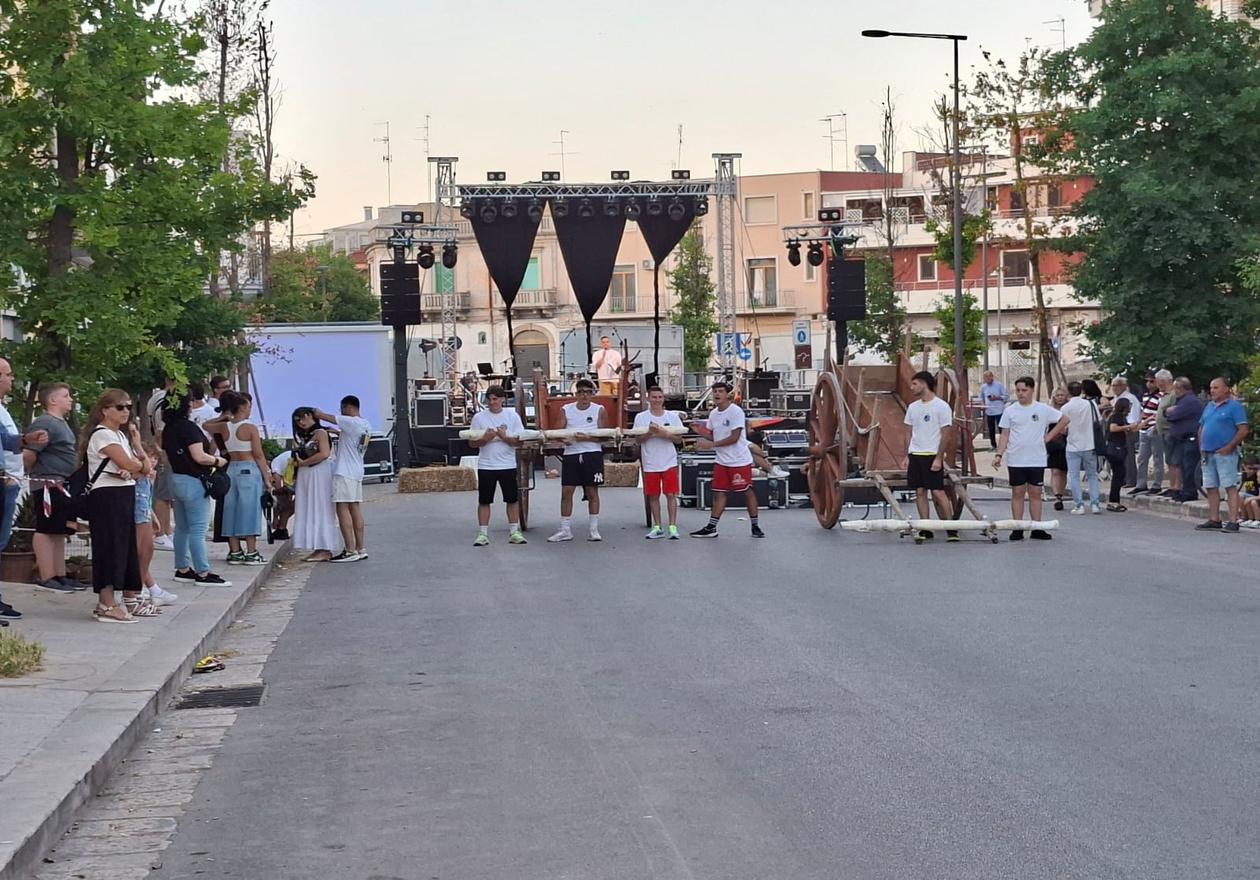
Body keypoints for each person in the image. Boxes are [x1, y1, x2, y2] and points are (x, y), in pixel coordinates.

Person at [81, 390, 155, 623]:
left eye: (128, 407)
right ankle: (106, 602)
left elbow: (144, 466)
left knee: (124, 546)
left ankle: (117, 598)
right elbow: (131, 463)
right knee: (110, 546)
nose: (125, 412)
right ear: (105, 410)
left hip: (124, 492)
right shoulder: (103, 435)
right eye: (119, 407)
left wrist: (137, 457)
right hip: (107, 495)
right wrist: (136, 466)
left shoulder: (120, 436)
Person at [161, 392, 232, 586]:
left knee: (182, 528)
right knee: (198, 529)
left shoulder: (169, 428)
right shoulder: (188, 427)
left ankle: (182, 567)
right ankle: (203, 571)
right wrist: (218, 460)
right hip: (193, 480)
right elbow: (199, 456)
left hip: (176, 477)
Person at [25, 383, 87, 593]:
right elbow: (30, 454)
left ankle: (59, 574)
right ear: (52, 400)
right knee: (45, 528)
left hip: (63, 483)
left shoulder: (62, 423)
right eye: (65, 396)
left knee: (59, 530)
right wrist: (37, 475)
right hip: (47, 483)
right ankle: (46, 575)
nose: (70, 399)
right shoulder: (44, 422)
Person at [0, 359, 46, 622]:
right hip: (4, 480)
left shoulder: (3, 409)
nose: (11, 378)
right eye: (7, 374)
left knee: (2, 541)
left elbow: (5, 441)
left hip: (8, 481)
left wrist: (25, 440)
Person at [993, 376, 1065, 540]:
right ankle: (1018, 526)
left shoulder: (1042, 409)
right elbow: (1005, 434)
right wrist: (999, 454)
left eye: (1024, 390)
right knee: (1018, 492)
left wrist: (1049, 436)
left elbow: (1064, 419)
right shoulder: (1010, 410)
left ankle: (1036, 527)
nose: (1020, 393)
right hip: (1016, 458)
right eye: (1018, 390)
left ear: (1032, 390)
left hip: (1036, 458)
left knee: (1035, 493)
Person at [690, 381, 763, 538]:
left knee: (746, 491)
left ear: (727, 394)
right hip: (722, 460)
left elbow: (735, 437)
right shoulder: (714, 413)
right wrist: (700, 431)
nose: (717, 394)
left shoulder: (735, 412)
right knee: (719, 493)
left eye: (720, 391)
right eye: (715, 391)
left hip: (738, 460)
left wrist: (711, 445)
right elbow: (713, 435)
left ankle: (755, 526)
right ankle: (711, 527)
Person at [206, 391, 272, 564]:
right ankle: (251, 551)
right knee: (249, 510)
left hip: (232, 468)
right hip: (248, 468)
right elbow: (258, 454)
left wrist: (224, 417)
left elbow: (206, 425)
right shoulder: (249, 427)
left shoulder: (224, 426)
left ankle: (234, 550)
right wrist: (266, 476)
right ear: (243, 407)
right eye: (249, 406)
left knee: (231, 509)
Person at [548, 379, 606, 543]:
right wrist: (564, 439)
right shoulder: (566, 409)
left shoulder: (599, 410)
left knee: (592, 492)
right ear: (576, 394)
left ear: (592, 394)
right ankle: (565, 530)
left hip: (592, 453)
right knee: (567, 492)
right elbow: (558, 431)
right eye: (581, 392)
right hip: (572, 454)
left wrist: (587, 437)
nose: (584, 396)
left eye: (588, 392)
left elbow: (605, 435)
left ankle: (594, 530)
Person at [468, 385, 527, 546]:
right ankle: (483, 533)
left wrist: (504, 436)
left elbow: (519, 441)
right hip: (486, 466)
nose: (492, 402)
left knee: (512, 499)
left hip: (507, 465)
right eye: (490, 399)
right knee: (484, 500)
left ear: (502, 399)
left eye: (495, 399)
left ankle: (514, 531)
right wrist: (485, 439)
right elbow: (472, 443)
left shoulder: (512, 416)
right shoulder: (479, 418)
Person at [314, 396, 371, 561]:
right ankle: (360, 548)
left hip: (344, 472)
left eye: (342, 409)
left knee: (342, 508)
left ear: (347, 407)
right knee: (355, 508)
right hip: (357, 471)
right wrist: (337, 432)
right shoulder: (365, 424)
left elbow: (324, 416)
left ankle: (349, 550)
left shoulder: (349, 421)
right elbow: (352, 439)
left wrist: (316, 412)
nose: (341, 413)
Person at [902, 371, 956, 542]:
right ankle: (926, 528)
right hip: (916, 454)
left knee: (938, 492)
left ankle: (951, 528)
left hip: (932, 454)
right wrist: (907, 455)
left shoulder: (941, 406)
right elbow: (908, 432)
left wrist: (939, 457)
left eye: (915, 384)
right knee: (919, 491)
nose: (912, 388)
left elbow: (946, 433)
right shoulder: (913, 407)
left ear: (924, 384)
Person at [130, 425, 177, 608]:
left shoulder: (150, 475)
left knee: (144, 552)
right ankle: (141, 587)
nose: (153, 462)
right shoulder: (138, 474)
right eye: (151, 458)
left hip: (144, 513)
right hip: (137, 515)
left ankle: (151, 587)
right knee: (141, 551)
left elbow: (148, 500)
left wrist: (153, 516)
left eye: (156, 458)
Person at [1194, 376, 1249, 533]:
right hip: (1208, 452)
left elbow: (1243, 429)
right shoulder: (1209, 406)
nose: (1212, 391)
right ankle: (1214, 519)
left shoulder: (1235, 407)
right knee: (1211, 486)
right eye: (1211, 388)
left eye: (1216, 387)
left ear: (1226, 389)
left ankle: (1233, 521)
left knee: (1230, 486)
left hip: (1225, 453)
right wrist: (1201, 447)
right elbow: (1201, 427)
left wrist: (1230, 446)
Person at [634, 386, 685, 540]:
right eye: (654, 397)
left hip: (669, 461)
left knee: (671, 494)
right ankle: (657, 527)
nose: (657, 400)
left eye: (660, 397)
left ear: (663, 399)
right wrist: (650, 433)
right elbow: (638, 440)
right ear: (649, 398)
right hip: (650, 462)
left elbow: (679, 439)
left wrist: (664, 433)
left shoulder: (672, 417)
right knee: (653, 496)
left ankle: (672, 526)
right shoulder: (641, 417)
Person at [291, 407, 342, 561]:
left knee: (320, 507)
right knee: (310, 508)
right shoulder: (305, 436)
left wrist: (304, 462)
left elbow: (324, 453)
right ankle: (317, 546)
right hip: (306, 473)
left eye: (304, 417)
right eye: (298, 420)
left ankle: (325, 547)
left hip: (319, 472)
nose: (301, 422)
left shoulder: (320, 432)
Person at [1059, 380, 1104, 515]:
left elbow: (1062, 428)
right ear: (1082, 391)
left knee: (1074, 476)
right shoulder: (1090, 404)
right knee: (1092, 475)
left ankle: (1079, 505)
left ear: (1068, 392)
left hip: (1072, 445)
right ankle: (1095, 504)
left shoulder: (1065, 408)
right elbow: (1099, 421)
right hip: (1089, 444)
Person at [1166, 376, 1204, 505]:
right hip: (1182, 439)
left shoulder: (1189, 401)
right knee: (1183, 465)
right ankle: (1185, 490)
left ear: (1180, 388)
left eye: (1175, 388)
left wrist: (1170, 412)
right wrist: (1169, 412)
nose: (1174, 391)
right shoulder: (1181, 400)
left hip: (1190, 438)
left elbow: (1174, 416)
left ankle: (1189, 492)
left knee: (1189, 466)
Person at [1133, 370, 1166, 496]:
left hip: (1154, 428)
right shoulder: (1145, 395)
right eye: (1147, 381)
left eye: (1151, 381)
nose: (1149, 384)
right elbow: (1143, 410)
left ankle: (1157, 484)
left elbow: (1158, 414)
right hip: (1143, 429)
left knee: (1158, 457)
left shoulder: (1161, 396)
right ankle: (1141, 484)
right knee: (1142, 458)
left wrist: (1145, 421)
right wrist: (1139, 422)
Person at [1104, 397, 1140, 512]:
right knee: (1118, 475)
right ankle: (1113, 501)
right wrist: (1128, 427)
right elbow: (1113, 428)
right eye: (1128, 406)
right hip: (1115, 448)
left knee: (1119, 475)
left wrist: (1145, 422)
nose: (1130, 408)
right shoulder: (1117, 416)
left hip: (1117, 448)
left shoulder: (1121, 417)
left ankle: (1114, 500)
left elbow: (1130, 429)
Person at [1110, 376, 1141, 488]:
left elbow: (1132, 416)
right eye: (1112, 385)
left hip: (1128, 430)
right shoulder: (1118, 398)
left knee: (1128, 456)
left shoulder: (1128, 398)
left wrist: (1127, 427)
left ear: (1123, 386)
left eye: (1116, 386)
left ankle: (1130, 479)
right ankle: (1123, 478)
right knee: (1121, 456)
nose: (1114, 388)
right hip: (1123, 430)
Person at [1154, 370, 1181, 498]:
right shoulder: (1164, 395)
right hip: (1163, 432)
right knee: (1169, 460)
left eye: (1158, 381)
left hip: (1170, 430)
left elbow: (1175, 410)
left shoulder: (1173, 394)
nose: (1156, 383)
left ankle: (1177, 486)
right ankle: (1172, 486)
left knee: (1175, 460)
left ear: (1164, 381)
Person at [1046, 387, 1071, 510]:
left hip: (1068, 441)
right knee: (1055, 470)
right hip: (1053, 442)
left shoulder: (1069, 408)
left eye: (1062, 395)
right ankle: (1057, 496)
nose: (1060, 397)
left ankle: (1061, 492)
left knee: (1063, 470)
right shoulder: (1049, 410)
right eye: (1058, 395)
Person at [978, 370, 1008, 450]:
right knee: (991, 430)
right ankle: (993, 445)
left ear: (992, 376)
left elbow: (1006, 396)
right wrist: (982, 404)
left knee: (1001, 428)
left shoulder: (999, 385)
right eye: (986, 377)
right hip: (989, 411)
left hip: (999, 410)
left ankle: (1003, 445)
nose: (988, 378)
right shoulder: (983, 387)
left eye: (989, 376)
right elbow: (981, 397)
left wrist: (997, 398)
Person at [269, 449, 295, 540]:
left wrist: (275, 518)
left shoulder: (274, 468)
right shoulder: (281, 464)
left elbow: (279, 497)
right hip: (299, 468)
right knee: (290, 504)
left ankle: (281, 528)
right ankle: (282, 528)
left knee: (286, 503)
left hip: (298, 467)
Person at [1239, 458, 1260, 527]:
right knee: (1240, 496)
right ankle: (1246, 518)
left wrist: (1250, 498)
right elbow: (1243, 489)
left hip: (1256, 497)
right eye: (1249, 468)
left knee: (1252, 501)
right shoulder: (1244, 475)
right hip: (1251, 495)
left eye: (1255, 469)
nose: (1252, 471)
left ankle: (1257, 520)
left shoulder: (1258, 476)